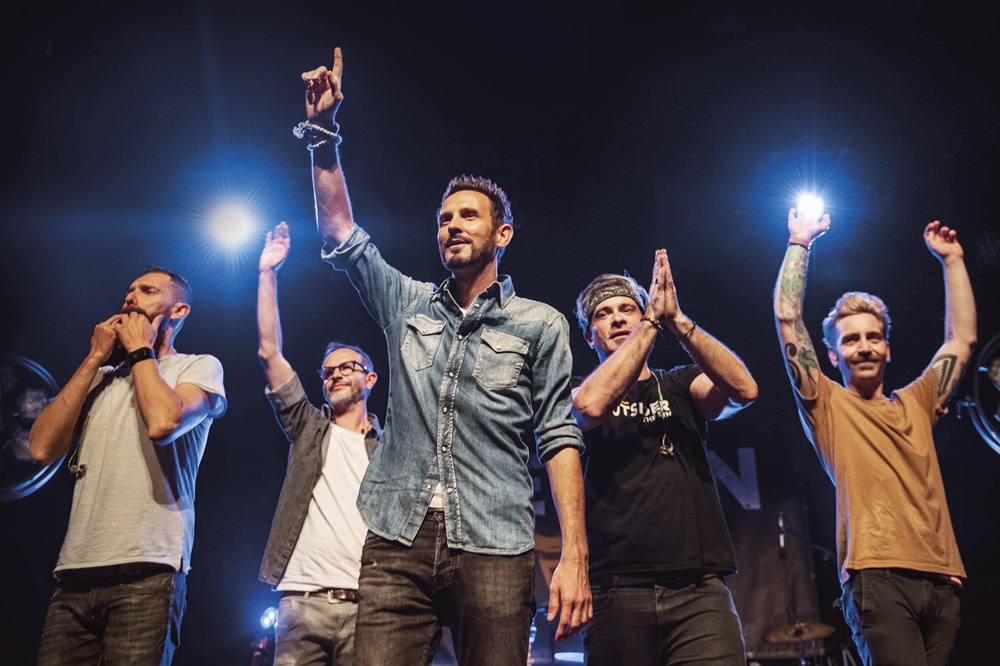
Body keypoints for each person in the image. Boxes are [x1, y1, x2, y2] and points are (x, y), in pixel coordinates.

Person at [297, 47, 591, 666]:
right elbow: (340, 235)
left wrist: (574, 554)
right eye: (443, 218)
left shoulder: (540, 323)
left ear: (502, 234)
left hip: (494, 540)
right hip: (396, 538)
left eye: (468, 216)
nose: (452, 225)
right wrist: (323, 134)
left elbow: (559, 435)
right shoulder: (407, 305)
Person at [773, 211, 975, 665]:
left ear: (887, 347)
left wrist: (953, 261)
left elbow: (961, 339)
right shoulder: (825, 403)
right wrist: (800, 242)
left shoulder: (918, 401)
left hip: (943, 580)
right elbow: (788, 319)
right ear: (832, 354)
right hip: (878, 578)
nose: (863, 346)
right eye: (850, 340)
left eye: (873, 337)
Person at [29, 265, 227, 665]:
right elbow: (41, 448)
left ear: (178, 311)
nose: (130, 297)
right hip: (74, 575)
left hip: (147, 573)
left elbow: (163, 423)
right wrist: (94, 358)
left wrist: (140, 350)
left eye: (147, 291)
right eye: (129, 291)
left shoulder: (197, 366)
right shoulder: (101, 377)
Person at [571, 250, 758, 665]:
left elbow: (745, 389)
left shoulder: (679, 384)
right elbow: (590, 407)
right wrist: (650, 322)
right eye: (603, 313)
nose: (618, 319)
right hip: (617, 591)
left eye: (628, 309)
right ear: (589, 336)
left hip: (698, 591)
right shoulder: (578, 391)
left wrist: (676, 320)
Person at [256, 221, 381, 665]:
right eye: (328, 372)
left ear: (370, 379)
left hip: (367, 605)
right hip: (301, 602)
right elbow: (270, 353)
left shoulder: (389, 449)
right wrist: (267, 274)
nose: (335, 375)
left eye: (346, 367)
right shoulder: (308, 427)